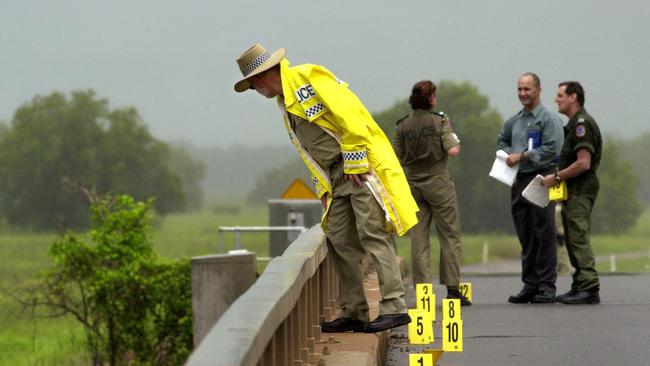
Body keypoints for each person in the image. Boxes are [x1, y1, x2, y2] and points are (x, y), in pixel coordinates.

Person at [233, 44, 419, 332]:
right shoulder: (285, 103)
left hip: (360, 167)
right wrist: (323, 187)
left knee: (372, 232)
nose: (255, 90)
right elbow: (310, 152)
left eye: (253, 83)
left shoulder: (308, 78)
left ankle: (394, 307)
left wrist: (355, 158)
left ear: (262, 75)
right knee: (338, 237)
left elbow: (351, 114)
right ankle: (354, 310)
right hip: (335, 177)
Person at [394, 80, 471, 306]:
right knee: (449, 235)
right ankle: (453, 288)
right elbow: (453, 149)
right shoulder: (439, 120)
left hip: (413, 184)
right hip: (438, 182)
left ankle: (423, 292)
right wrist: (453, 137)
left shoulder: (403, 126)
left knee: (419, 238)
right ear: (431, 98)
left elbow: (395, 158)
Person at [496, 72, 564, 304]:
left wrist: (523, 155)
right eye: (520, 89)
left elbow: (553, 149)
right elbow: (501, 140)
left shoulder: (549, 119)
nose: (523, 94)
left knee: (544, 233)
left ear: (538, 90)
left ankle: (546, 286)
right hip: (518, 181)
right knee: (525, 234)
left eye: (527, 89)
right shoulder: (515, 121)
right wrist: (506, 155)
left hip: (541, 179)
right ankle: (530, 284)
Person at [541, 81, 601, 304]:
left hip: (581, 188)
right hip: (572, 190)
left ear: (573, 97)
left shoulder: (581, 125)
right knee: (571, 235)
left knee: (578, 235)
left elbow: (583, 163)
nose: (556, 99)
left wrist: (557, 177)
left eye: (560, 95)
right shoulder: (573, 124)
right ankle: (579, 284)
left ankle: (589, 286)